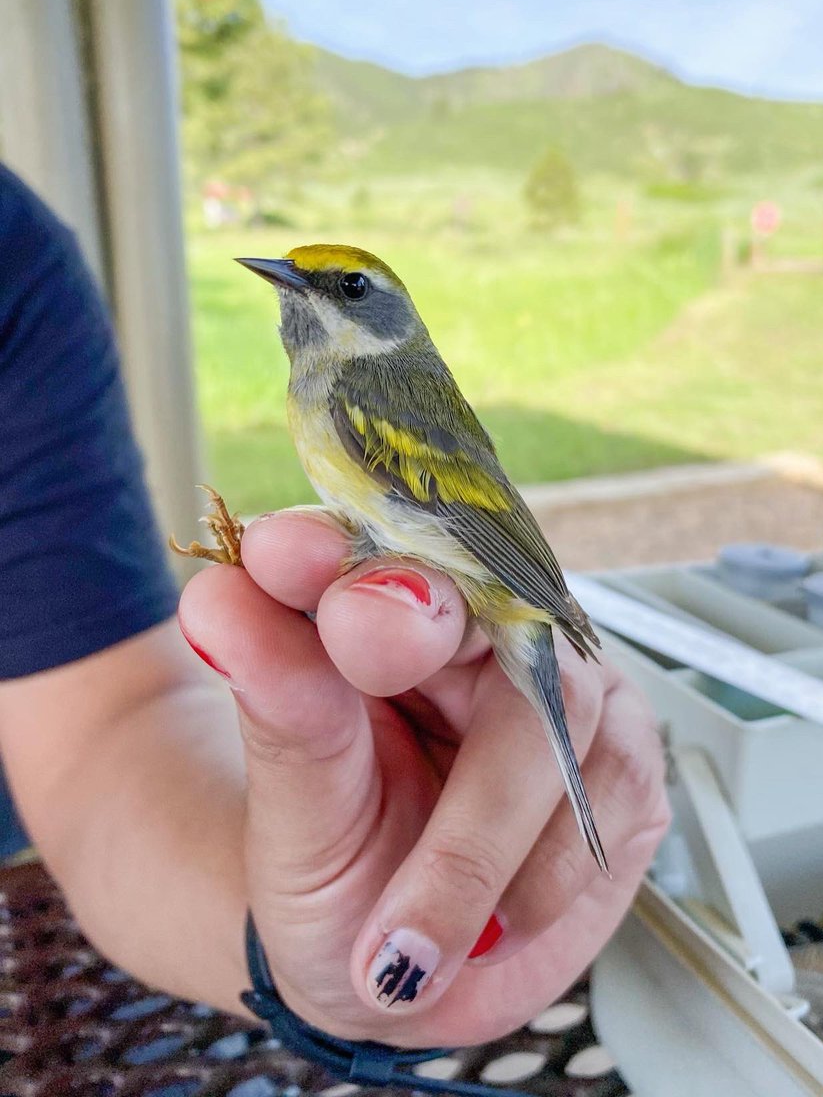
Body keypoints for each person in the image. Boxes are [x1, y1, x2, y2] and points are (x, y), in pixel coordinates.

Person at [0, 162, 669, 1048]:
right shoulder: (343, 387)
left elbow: (461, 519)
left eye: (345, 287)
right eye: (296, 277)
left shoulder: (364, 387)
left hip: (487, 585)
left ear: (388, 316)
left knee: (347, 587)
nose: (299, 288)